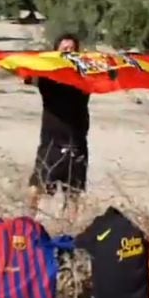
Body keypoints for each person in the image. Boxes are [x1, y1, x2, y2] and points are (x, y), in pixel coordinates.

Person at [26, 34, 90, 220]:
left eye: (72, 49)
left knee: (73, 195)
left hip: (76, 143)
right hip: (50, 143)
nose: (68, 52)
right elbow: (25, 73)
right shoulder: (46, 77)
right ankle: (27, 223)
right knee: (36, 188)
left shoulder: (85, 77)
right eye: (64, 49)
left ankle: (69, 231)